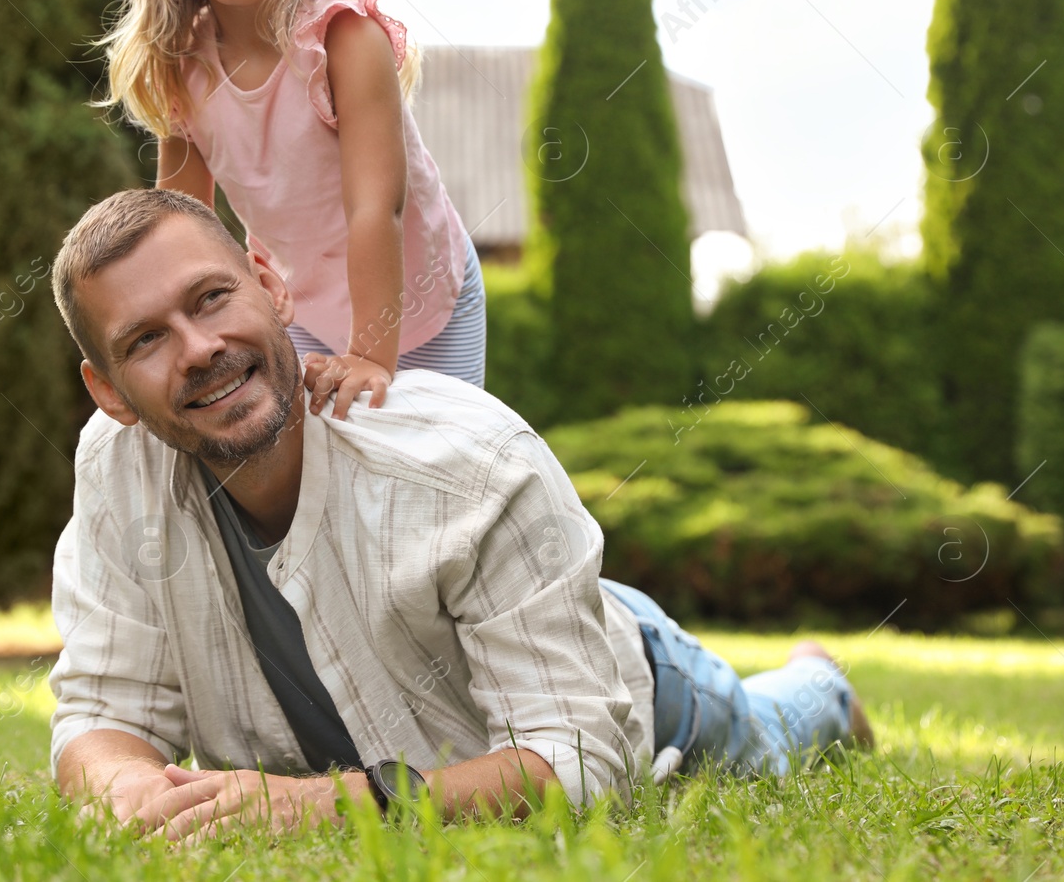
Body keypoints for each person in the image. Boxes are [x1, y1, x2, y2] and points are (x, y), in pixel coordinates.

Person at [47, 189, 873, 841]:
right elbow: (100, 712)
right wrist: (134, 794)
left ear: (270, 281)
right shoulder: (115, 468)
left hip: (635, 682)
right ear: (110, 392)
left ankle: (823, 684)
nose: (197, 348)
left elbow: (580, 755)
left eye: (212, 296)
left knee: (767, 736)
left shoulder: (469, 461)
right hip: (489, 657)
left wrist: (318, 808)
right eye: (146, 339)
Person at [91, 0, 483, 419]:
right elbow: (182, 228)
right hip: (301, 310)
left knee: (440, 462)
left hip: (423, 301)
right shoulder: (180, 67)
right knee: (325, 476)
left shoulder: (343, 41)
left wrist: (371, 356)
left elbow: (376, 206)